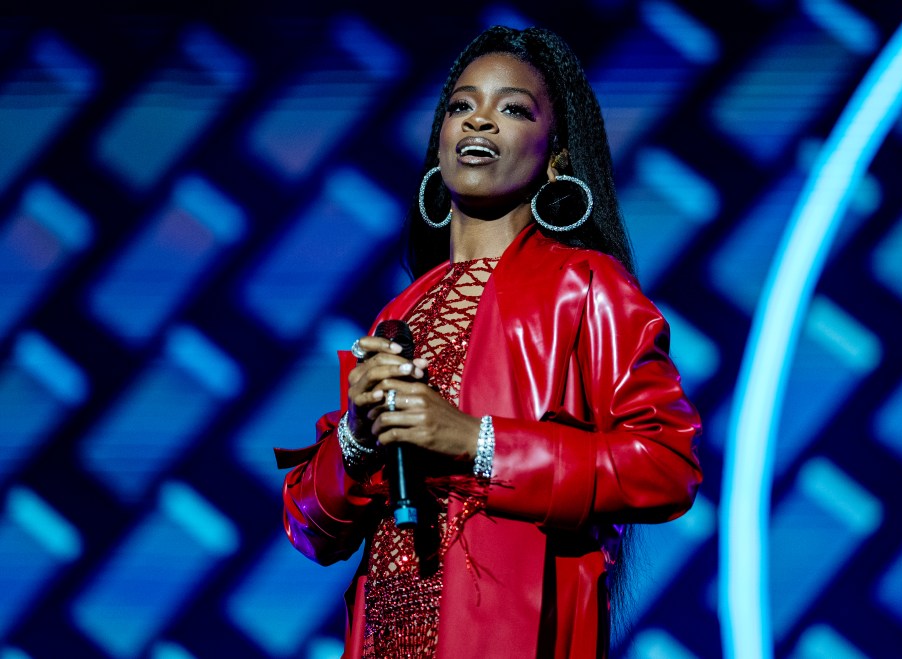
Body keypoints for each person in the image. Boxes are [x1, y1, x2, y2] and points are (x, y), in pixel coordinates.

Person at [277, 25, 702, 659]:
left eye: (511, 108)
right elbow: (311, 527)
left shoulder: (585, 286)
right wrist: (355, 440)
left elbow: (666, 468)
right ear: (439, 141)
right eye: (460, 105)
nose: (479, 122)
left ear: (555, 154)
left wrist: (475, 442)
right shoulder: (397, 314)